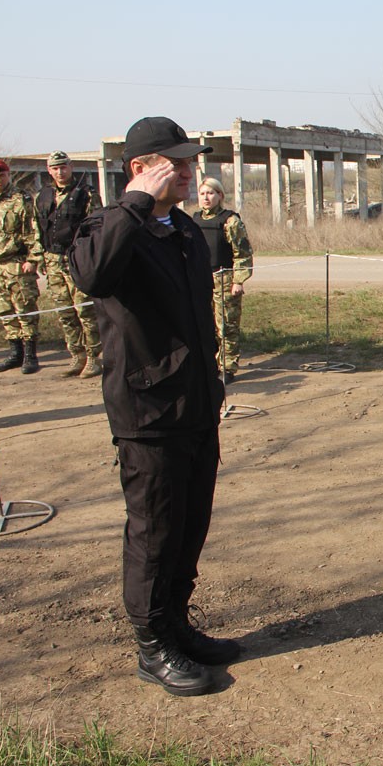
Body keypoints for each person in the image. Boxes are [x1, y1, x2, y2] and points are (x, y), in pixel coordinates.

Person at [69, 116, 238, 697]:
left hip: (196, 403)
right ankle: (152, 645)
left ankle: (177, 625)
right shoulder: (111, 226)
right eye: (177, 162)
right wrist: (135, 203)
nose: (190, 172)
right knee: (155, 531)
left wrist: (214, 384)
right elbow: (91, 275)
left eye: (192, 162)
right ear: (140, 168)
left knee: (190, 524)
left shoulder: (185, 230)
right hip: (148, 410)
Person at [36, 150, 103, 378]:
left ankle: (94, 357)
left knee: (85, 310)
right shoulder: (43, 196)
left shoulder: (86, 194)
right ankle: (77, 354)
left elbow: (95, 228)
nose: (60, 172)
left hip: (77, 259)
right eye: (55, 168)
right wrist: (39, 258)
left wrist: (89, 257)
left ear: (70, 166)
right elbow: (38, 229)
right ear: (49, 170)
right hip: (53, 260)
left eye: (63, 167)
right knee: (65, 312)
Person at [0, 159, 43, 375]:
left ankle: (30, 355)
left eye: (2, 175)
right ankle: (15, 353)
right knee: (5, 310)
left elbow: (33, 231)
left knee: (25, 309)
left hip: (17, 264)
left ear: (8, 175)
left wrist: (33, 259)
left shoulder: (21, 199)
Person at [193, 178, 254, 385]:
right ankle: (209, 364)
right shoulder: (194, 221)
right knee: (204, 326)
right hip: (201, 280)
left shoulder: (230, 221)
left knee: (226, 326)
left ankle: (227, 368)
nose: (206, 198)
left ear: (220, 195)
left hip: (224, 280)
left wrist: (238, 281)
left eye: (211, 193)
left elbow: (243, 254)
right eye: (202, 193)